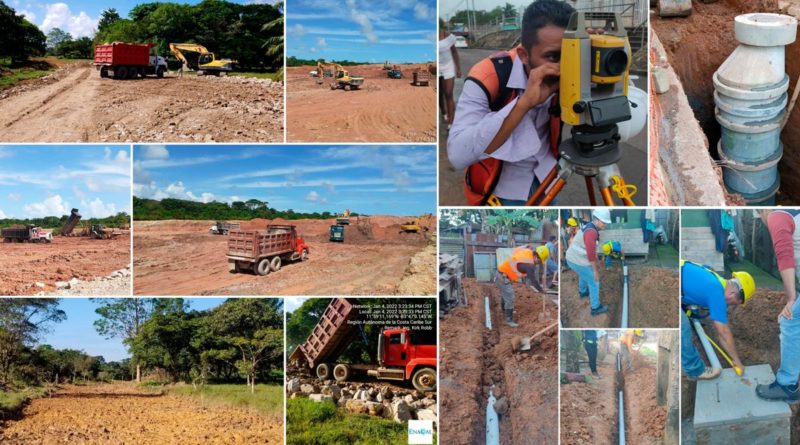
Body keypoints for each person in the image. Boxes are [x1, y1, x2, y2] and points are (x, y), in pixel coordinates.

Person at [448, 0, 574, 205]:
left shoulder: (578, 68)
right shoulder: (488, 75)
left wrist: (603, 61)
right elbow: (457, 154)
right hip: (501, 190)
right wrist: (523, 104)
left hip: (548, 179)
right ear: (524, 54)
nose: (565, 66)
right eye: (553, 56)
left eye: (572, 54)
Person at [681, 260, 754, 380]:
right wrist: (736, 361)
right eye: (734, 304)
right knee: (683, 327)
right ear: (732, 293)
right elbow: (723, 333)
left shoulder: (717, 279)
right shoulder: (716, 291)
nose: (730, 306)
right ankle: (694, 370)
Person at [756, 210, 800, 403]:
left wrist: (791, 298)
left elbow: (784, 255)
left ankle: (787, 385)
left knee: (790, 320)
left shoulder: (776, 216)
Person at [566, 209, 612, 316]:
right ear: (596, 220)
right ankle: (595, 308)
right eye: (603, 222)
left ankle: (582, 292)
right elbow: (591, 254)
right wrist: (595, 270)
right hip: (576, 259)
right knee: (594, 280)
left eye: (606, 223)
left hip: (573, 257)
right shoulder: (591, 232)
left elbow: (590, 250)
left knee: (584, 273)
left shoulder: (590, 226)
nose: (605, 225)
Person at [496, 245, 548, 326]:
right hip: (502, 276)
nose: (538, 264)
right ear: (537, 257)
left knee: (505, 294)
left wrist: (526, 246)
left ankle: (505, 311)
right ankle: (509, 320)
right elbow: (533, 280)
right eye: (539, 261)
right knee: (510, 296)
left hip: (502, 273)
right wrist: (541, 290)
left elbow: (516, 250)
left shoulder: (527, 251)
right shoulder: (530, 265)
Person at [438, 24, 461, 131]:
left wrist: (458, 68)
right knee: (439, 94)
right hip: (437, 67)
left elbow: (454, 52)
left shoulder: (447, 36)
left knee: (448, 93)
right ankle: (444, 113)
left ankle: (451, 121)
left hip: (448, 67)